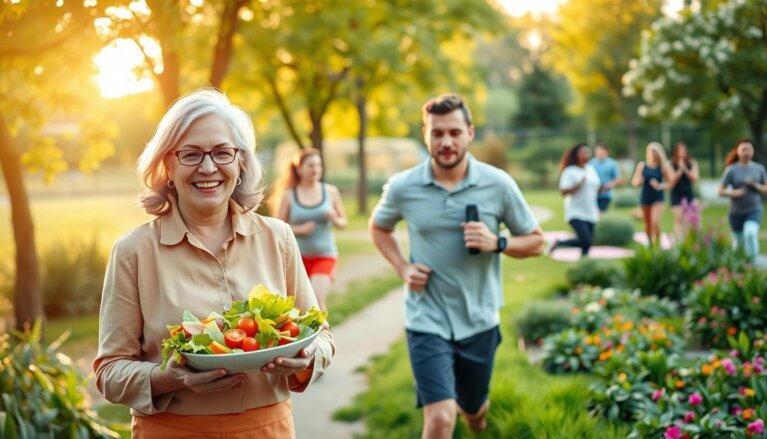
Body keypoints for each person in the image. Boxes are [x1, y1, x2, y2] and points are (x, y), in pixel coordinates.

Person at [93, 89, 334, 438]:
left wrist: (307, 356)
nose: (208, 168)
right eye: (191, 154)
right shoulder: (133, 252)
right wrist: (166, 378)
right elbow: (109, 372)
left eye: (222, 152)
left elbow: (321, 335)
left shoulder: (278, 238)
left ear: (241, 162)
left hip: (266, 430)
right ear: (168, 165)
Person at [368, 93, 544, 438]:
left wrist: (497, 242)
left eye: (454, 132)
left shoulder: (498, 184)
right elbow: (378, 227)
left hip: (479, 319)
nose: (446, 142)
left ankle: (477, 422)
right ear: (425, 135)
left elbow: (537, 242)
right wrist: (402, 268)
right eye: (437, 133)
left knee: (474, 409)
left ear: (470, 133)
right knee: (440, 418)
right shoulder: (404, 186)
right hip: (426, 318)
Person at [274, 148, 347, 311]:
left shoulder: (330, 192)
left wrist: (335, 219)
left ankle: (323, 329)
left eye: (318, 165)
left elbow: (343, 223)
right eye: (311, 165)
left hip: (325, 254)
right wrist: (299, 229)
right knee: (299, 306)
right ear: (299, 169)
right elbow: (277, 227)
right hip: (297, 257)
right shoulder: (289, 196)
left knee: (316, 301)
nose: (316, 169)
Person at [718, 139, 767, 261]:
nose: (746, 152)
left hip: (754, 209)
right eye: (743, 149)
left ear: (753, 151)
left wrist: (755, 185)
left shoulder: (759, 169)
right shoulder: (731, 169)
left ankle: (753, 261)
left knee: (750, 233)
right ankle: (738, 266)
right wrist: (734, 193)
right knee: (738, 242)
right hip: (736, 212)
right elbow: (720, 191)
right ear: (738, 151)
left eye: (749, 149)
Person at [550, 143, 601, 258]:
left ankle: (583, 263)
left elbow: (596, 187)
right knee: (586, 240)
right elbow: (563, 192)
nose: (587, 154)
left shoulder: (591, 169)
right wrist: (577, 186)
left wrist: (604, 188)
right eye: (584, 152)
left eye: (588, 152)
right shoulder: (569, 171)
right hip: (576, 212)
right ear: (576, 155)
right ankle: (559, 243)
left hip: (591, 210)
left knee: (587, 243)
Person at [631, 141, 672, 244]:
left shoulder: (662, 167)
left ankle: (657, 243)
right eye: (651, 152)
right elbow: (634, 182)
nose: (653, 154)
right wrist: (639, 181)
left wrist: (659, 185)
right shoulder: (642, 165)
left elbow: (670, 183)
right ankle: (650, 245)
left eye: (655, 152)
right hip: (645, 197)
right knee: (648, 224)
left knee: (655, 222)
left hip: (658, 198)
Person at [668, 141, 700, 240]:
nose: (682, 152)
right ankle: (679, 241)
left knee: (690, 220)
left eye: (684, 150)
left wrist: (685, 170)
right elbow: (671, 181)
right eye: (680, 150)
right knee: (679, 219)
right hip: (676, 196)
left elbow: (694, 179)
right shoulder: (671, 164)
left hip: (688, 195)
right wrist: (679, 171)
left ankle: (688, 240)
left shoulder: (692, 163)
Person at [589, 143, 622, 215]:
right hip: (592, 193)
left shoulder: (612, 164)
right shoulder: (591, 163)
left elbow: (618, 179)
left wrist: (610, 184)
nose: (600, 154)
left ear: (606, 152)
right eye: (598, 152)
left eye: (602, 152)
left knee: (601, 213)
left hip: (605, 194)